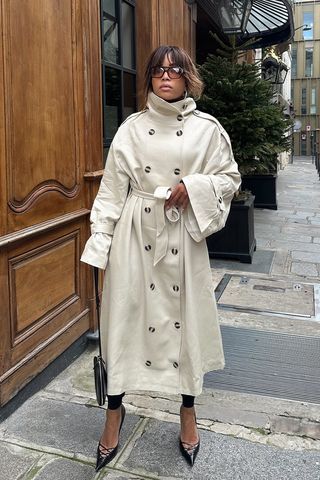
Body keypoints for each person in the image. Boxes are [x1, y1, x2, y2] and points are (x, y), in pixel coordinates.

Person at [81, 45, 241, 471]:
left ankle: (187, 411)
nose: (165, 76)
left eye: (174, 70)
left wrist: (195, 186)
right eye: (158, 70)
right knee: (122, 324)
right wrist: (100, 245)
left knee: (186, 325)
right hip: (135, 236)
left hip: (183, 237)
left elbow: (230, 178)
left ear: (188, 77)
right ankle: (114, 411)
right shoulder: (132, 129)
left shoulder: (209, 130)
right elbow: (112, 190)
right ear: (150, 78)